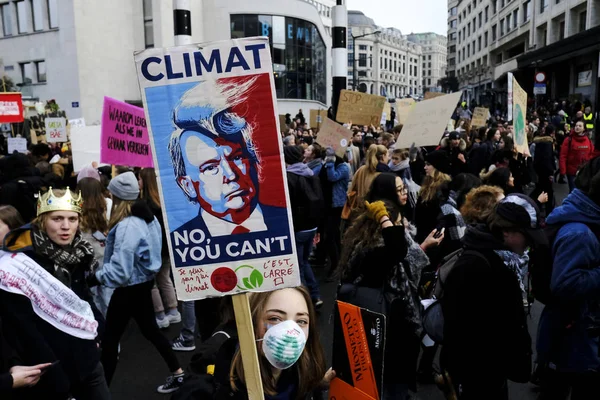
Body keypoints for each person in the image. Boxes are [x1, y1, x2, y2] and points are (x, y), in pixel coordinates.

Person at [339, 173, 442, 399]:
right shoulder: (379, 243)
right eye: (399, 189)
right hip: (387, 318)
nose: (404, 192)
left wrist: (421, 245)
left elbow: (400, 256)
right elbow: (397, 251)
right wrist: (386, 219)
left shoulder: (372, 240)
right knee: (389, 376)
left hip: (385, 316)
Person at [1, 188, 111, 399]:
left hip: (86, 359)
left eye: (72, 219)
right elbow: (25, 327)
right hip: (51, 369)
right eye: (57, 218)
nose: (65, 226)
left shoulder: (79, 251)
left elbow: (84, 297)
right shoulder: (19, 262)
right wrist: (56, 375)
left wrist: (98, 333)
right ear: (42, 220)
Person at [89, 171, 185, 393]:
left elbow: (120, 271)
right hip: (141, 284)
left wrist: (96, 276)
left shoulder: (128, 225)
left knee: (111, 340)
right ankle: (178, 373)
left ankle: (98, 392)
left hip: (129, 288)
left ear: (117, 196)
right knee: (150, 331)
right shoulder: (147, 217)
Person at [441, 194, 543, 399]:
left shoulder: (500, 258)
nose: (529, 244)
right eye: (527, 236)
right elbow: (460, 328)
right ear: (506, 232)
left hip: (491, 372)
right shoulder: (475, 265)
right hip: (479, 376)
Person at [168, 79, 288, 240]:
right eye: (210, 167)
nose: (231, 175)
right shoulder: (182, 243)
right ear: (187, 185)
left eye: (236, 157)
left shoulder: (286, 223)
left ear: (252, 159)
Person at [535, 157, 600, 399]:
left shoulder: (587, 221)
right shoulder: (579, 234)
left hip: (578, 338)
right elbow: (565, 284)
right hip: (574, 342)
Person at [211, 287, 332, 399]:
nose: (290, 332)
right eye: (275, 319)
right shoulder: (220, 385)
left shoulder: (304, 372)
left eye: (301, 321)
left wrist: (317, 384)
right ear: (251, 325)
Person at [138, 168, 182, 330]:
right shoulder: (163, 201)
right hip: (166, 248)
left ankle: (160, 314)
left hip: (153, 249)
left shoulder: (145, 205)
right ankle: (173, 309)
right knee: (165, 278)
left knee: (152, 283)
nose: (138, 182)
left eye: (140, 179)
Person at [285, 145, 324, 308]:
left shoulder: (288, 177)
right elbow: (321, 201)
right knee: (304, 261)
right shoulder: (311, 173)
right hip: (312, 226)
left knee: (297, 265)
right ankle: (315, 295)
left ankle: (303, 301)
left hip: (298, 227)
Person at [77, 177, 114, 318]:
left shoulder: (76, 208)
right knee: (108, 294)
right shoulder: (109, 203)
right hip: (107, 253)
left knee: (92, 295)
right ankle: (113, 333)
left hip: (85, 256)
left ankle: (98, 328)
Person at [414, 150, 452, 244]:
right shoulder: (428, 181)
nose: (425, 167)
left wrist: (436, 234)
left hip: (432, 234)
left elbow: (444, 214)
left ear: (437, 166)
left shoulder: (443, 187)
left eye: (428, 164)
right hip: (423, 231)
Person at [344, 145, 387, 225]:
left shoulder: (361, 169)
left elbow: (352, 188)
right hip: (376, 214)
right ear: (383, 156)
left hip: (358, 211)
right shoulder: (383, 174)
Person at [559, 121, 595, 192]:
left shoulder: (588, 140)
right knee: (573, 192)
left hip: (585, 172)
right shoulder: (568, 140)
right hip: (572, 172)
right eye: (576, 125)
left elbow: (592, 154)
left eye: (580, 126)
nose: (577, 127)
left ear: (584, 129)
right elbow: (563, 156)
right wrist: (563, 171)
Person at [531, 126, 557, 215]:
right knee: (548, 191)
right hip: (546, 171)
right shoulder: (548, 143)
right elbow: (547, 158)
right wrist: (550, 172)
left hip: (540, 170)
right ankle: (548, 212)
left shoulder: (540, 143)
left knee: (541, 189)